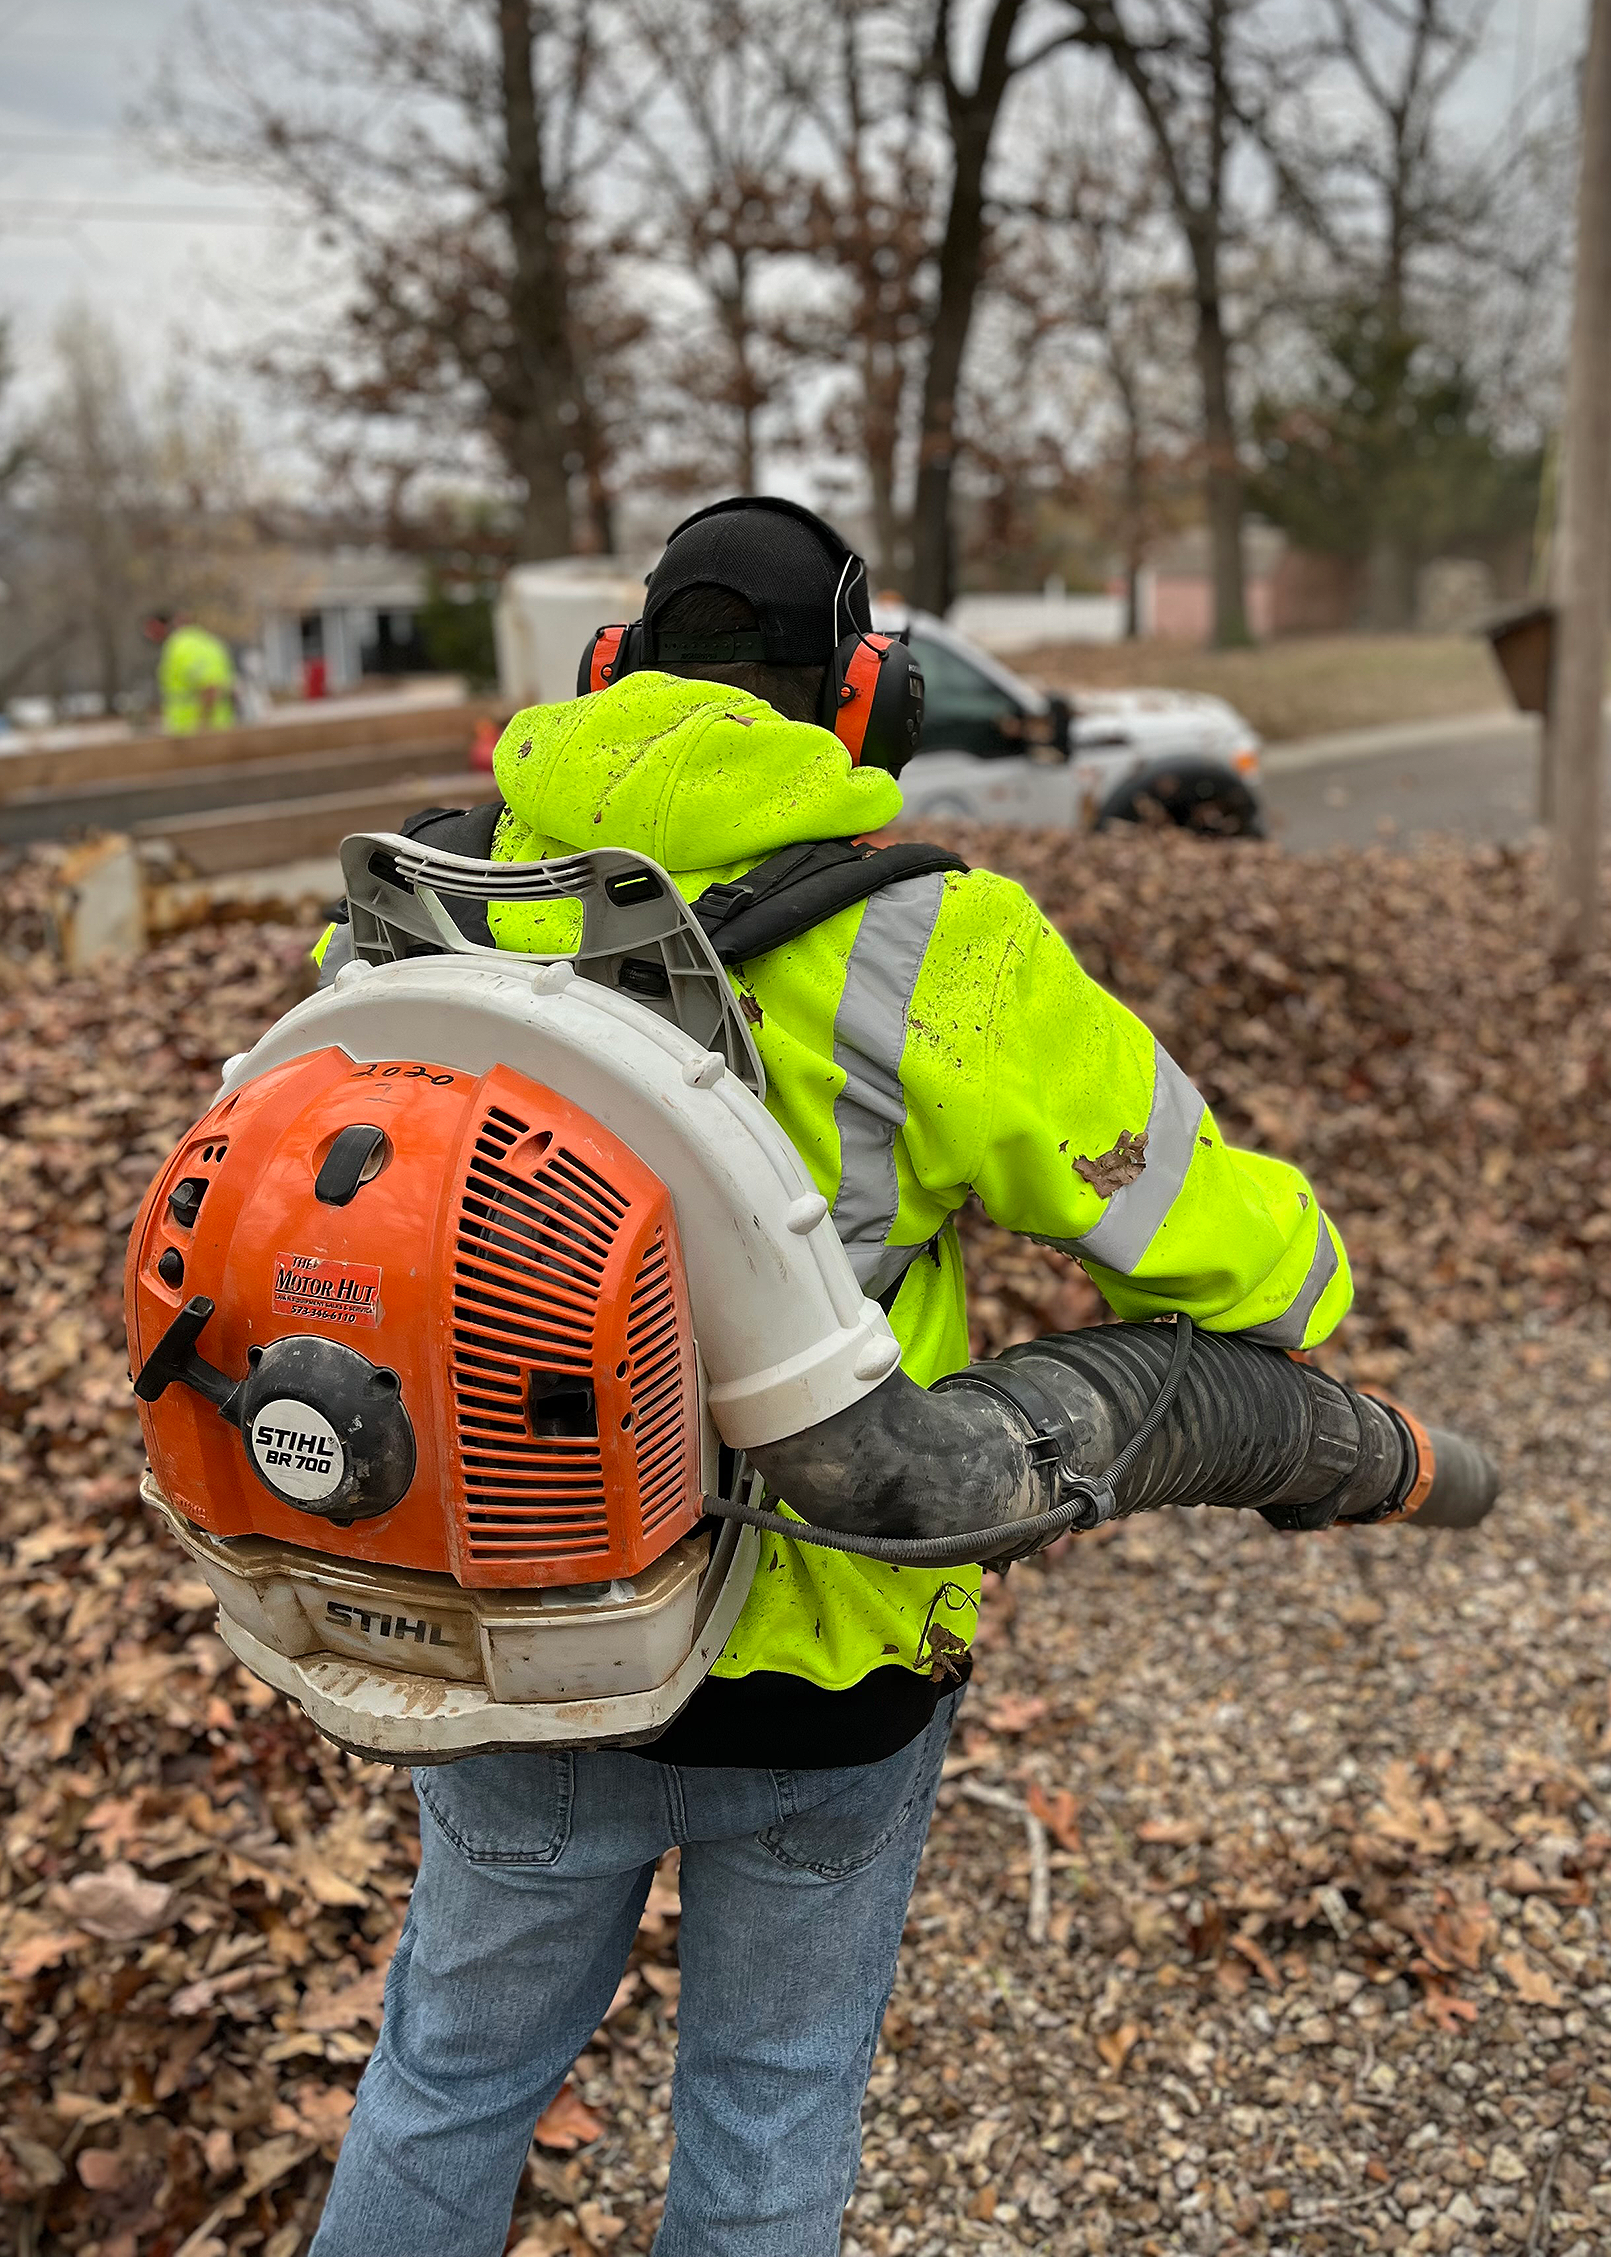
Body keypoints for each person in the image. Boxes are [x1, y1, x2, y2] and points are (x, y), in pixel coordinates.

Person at [309, 498, 1351, 2257]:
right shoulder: (934, 942)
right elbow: (1211, 1239)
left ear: (608, 669)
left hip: (513, 1622)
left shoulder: (421, 901)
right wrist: (1307, 1290)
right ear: (866, 697)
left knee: (446, 2080)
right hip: (824, 1642)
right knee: (770, 2102)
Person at [142, 610, 236, 733]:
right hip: (214, 728)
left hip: (197, 731)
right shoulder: (206, 640)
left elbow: (210, 687)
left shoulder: (182, 646)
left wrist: (202, 728)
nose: (148, 635)